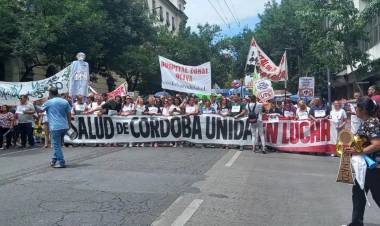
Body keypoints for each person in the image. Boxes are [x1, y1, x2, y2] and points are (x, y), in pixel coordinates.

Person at [344, 96, 380, 226]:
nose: (355, 110)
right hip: (365, 166)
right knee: (358, 194)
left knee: (377, 195)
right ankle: (356, 223)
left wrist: (357, 151)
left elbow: (377, 144)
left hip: (374, 167)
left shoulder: (371, 123)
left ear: (362, 109)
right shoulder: (368, 122)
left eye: (356, 108)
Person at [42, 87, 72, 168]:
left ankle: (61, 162)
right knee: (58, 144)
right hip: (64, 126)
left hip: (55, 127)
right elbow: (69, 113)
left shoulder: (48, 102)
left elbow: (40, 110)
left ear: (50, 93)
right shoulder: (65, 101)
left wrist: (43, 102)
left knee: (56, 145)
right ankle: (54, 160)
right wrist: (69, 124)